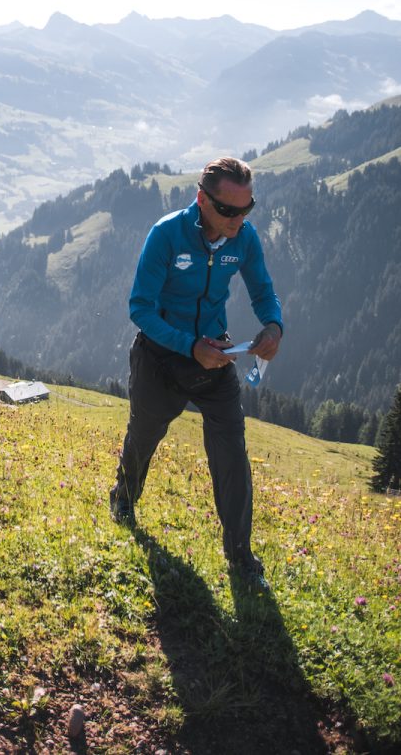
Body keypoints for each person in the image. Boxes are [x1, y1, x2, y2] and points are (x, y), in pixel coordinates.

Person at [109, 157, 282, 588]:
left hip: (216, 355)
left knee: (232, 457)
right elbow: (140, 309)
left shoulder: (244, 237)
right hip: (161, 358)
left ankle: (240, 556)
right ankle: (124, 498)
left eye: (247, 209)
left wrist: (273, 326)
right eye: (228, 210)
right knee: (144, 436)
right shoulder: (167, 234)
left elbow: (262, 290)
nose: (238, 219)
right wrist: (189, 347)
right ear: (202, 199)